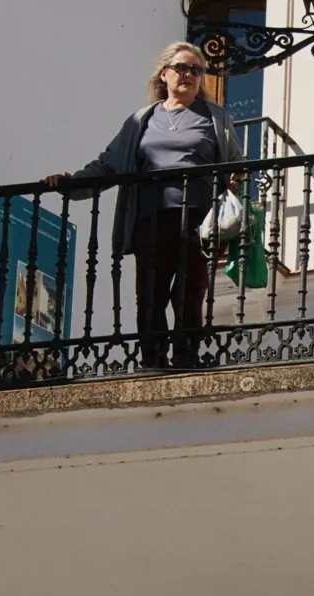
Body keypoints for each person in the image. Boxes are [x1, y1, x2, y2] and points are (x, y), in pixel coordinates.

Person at [63, 44, 243, 371]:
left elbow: (236, 163)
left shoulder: (215, 118)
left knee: (189, 293)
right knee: (151, 296)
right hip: (151, 219)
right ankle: (154, 361)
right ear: (164, 74)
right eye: (181, 68)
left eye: (196, 70)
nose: (188, 75)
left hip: (199, 221)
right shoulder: (141, 121)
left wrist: (233, 182)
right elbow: (108, 165)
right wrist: (71, 184)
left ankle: (186, 359)